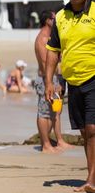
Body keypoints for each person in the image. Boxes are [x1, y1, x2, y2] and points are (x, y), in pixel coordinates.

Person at [46, 0, 94, 193]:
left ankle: (92, 180)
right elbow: (53, 52)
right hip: (72, 81)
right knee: (85, 132)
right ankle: (92, 175)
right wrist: (49, 81)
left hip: (93, 78)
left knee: (92, 129)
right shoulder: (60, 18)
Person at [35, 10, 72, 153]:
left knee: (56, 111)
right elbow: (46, 65)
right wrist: (52, 83)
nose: (57, 20)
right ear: (48, 21)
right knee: (44, 113)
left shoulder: (51, 37)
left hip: (55, 80)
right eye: (54, 18)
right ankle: (45, 145)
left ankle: (58, 141)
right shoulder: (43, 39)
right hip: (46, 80)